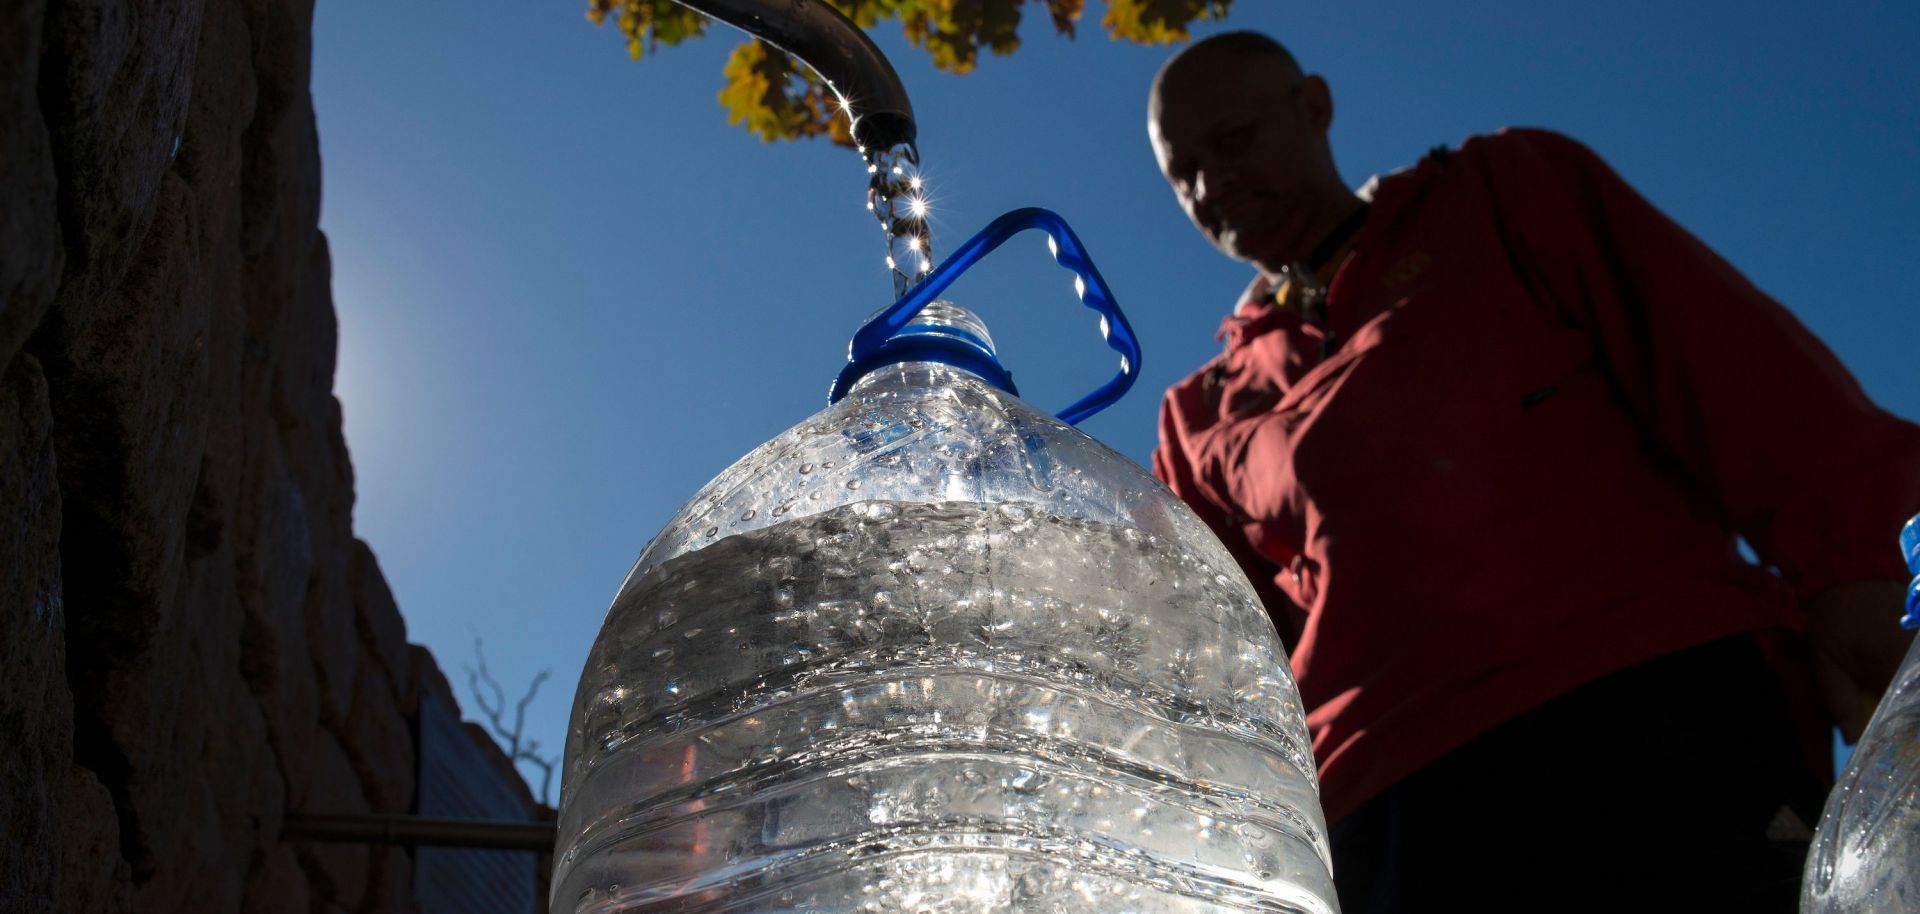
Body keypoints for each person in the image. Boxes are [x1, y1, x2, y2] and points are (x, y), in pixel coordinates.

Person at [1145, 31, 1920, 912]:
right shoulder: (1199, 415)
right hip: (1392, 801)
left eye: (1233, 141)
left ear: (1313, 107)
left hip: (1652, 703)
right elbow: (1216, 666)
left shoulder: (1499, 193)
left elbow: (1731, 364)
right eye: (1185, 174)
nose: (1212, 186)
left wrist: (1860, 562)